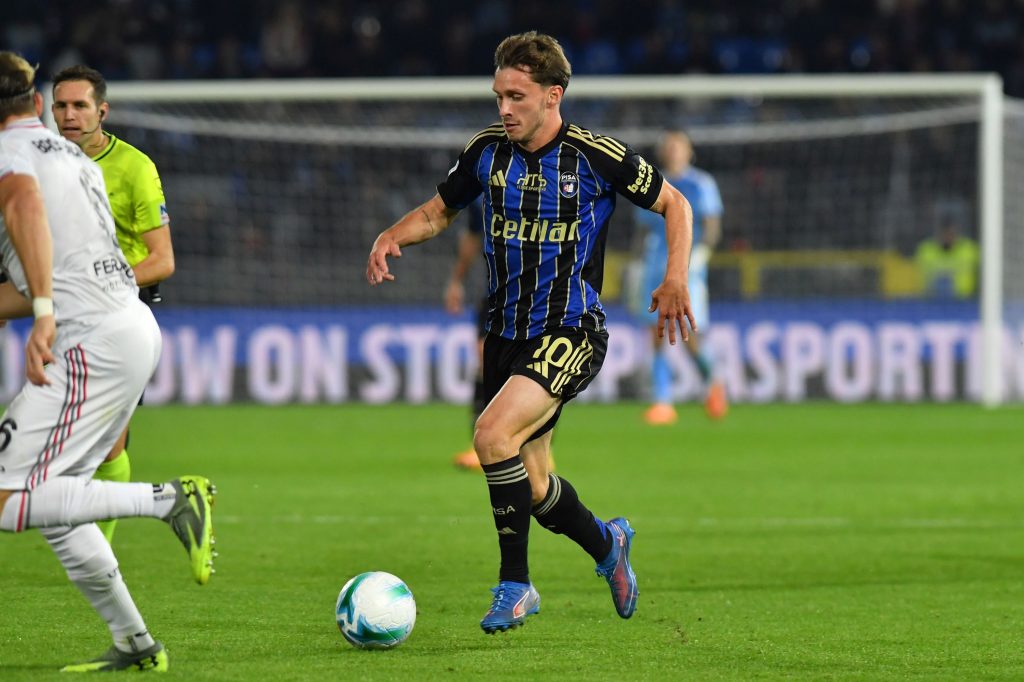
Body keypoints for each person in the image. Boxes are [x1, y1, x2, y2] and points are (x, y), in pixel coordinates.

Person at [367, 32, 695, 633]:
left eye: (516, 97)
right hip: (505, 336)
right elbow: (439, 212)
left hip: (572, 330)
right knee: (537, 487)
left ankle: (515, 585)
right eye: (499, 96)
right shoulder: (486, 152)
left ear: (552, 95)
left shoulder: (596, 156)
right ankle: (608, 545)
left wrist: (675, 277)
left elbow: (676, 204)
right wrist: (393, 235)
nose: (504, 109)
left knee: (491, 436)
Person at [0, 52, 214, 672]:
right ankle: (136, 643)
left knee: (8, 496)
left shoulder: (12, 157)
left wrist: (43, 311)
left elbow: (24, 208)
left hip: (89, 340)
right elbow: (71, 265)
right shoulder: (73, 159)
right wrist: (38, 303)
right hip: (124, 326)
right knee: (58, 502)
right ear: (37, 104)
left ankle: (169, 499)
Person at [51, 65, 176, 545]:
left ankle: (97, 550)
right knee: (64, 443)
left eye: (80, 105)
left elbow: (162, 260)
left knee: (106, 446)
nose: (70, 115)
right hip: (60, 316)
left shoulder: (134, 168)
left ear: (101, 111)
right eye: (61, 105)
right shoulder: (41, 164)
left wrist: (98, 284)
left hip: (118, 318)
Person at [632, 131, 727, 425]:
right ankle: (662, 402)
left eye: (678, 146)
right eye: (669, 146)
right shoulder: (651, 182)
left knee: (689, 335)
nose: (673, 151)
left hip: (687, 270)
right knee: (656, 333)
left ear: (689, 151)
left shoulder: (701, 184)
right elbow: (643, 230)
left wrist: (699, 256)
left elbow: (712, 227)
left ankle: (712, 382)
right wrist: (636, 264)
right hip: (654, 269)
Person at [914, 216, 979, 299]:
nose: (948, 237)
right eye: (944, 233)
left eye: (951, 233)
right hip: (930, 301)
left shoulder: (969, 250)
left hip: (964, 301)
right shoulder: (925, 251)